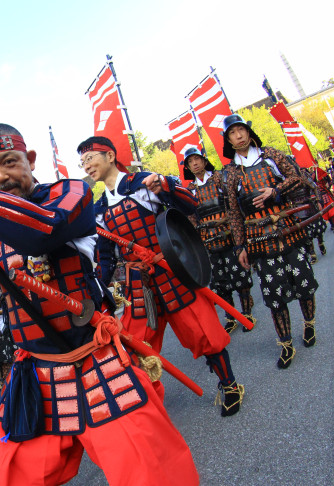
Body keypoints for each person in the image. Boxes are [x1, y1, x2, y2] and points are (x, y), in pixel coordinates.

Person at [0, 124, 198, 485]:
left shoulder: (71, 194)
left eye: (9, 162)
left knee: (155, 473)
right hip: (34, 375)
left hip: (97, 361)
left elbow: (40, 233)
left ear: (31, 160)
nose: (0, 176)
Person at [79, 136, 244, 417]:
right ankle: (150, 406)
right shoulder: (98, 210)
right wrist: (96, 289)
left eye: (90, 158)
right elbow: (105, 258)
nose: (86, 166)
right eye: (82, 162)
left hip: (171, 273)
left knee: (204, 333)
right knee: (136, 347)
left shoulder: (144, 183)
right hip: (138, 286)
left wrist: (166, 188)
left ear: (110, 155)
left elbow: (190, 204)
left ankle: (229, 385)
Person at [221, 114, 319, 369]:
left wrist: (275, 191)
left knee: (304, 285)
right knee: (274, 295)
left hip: (288, 230)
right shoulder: (230, 173)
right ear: (228, 140)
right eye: (233, 133)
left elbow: (298, 177)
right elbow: (234, 212)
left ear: (249, 132)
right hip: (258, 240)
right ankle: (285, 344)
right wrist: (240, 246)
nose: (238, 136)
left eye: (241, 130)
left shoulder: (271, 155)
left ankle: (309, 325)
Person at [183, 146, 256, 333]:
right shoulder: (189, 190)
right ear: (188, 167)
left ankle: (246, 312)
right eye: (190, 162)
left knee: (239, 276)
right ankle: (231, 316)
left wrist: (238, 233)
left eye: (197, 159)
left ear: (204, 161)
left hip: (229, 234)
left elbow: (234, 206)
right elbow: (191, 218)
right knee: (220, 281)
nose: (195, 163)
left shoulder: (220, 179)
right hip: (208, 240)